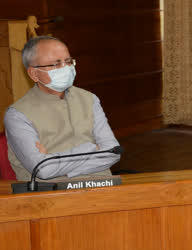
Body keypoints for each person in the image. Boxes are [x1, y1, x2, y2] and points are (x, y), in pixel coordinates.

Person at [4, 36, 121, 181]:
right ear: (34, 74)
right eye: (56, 64)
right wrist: (91, 148)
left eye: (68, 61)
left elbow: (113, 152)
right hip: (50, 194)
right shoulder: (17, 114)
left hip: (101, 184)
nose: (65, 68)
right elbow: (42, 169)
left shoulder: (89, 99)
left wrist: (58, 164)